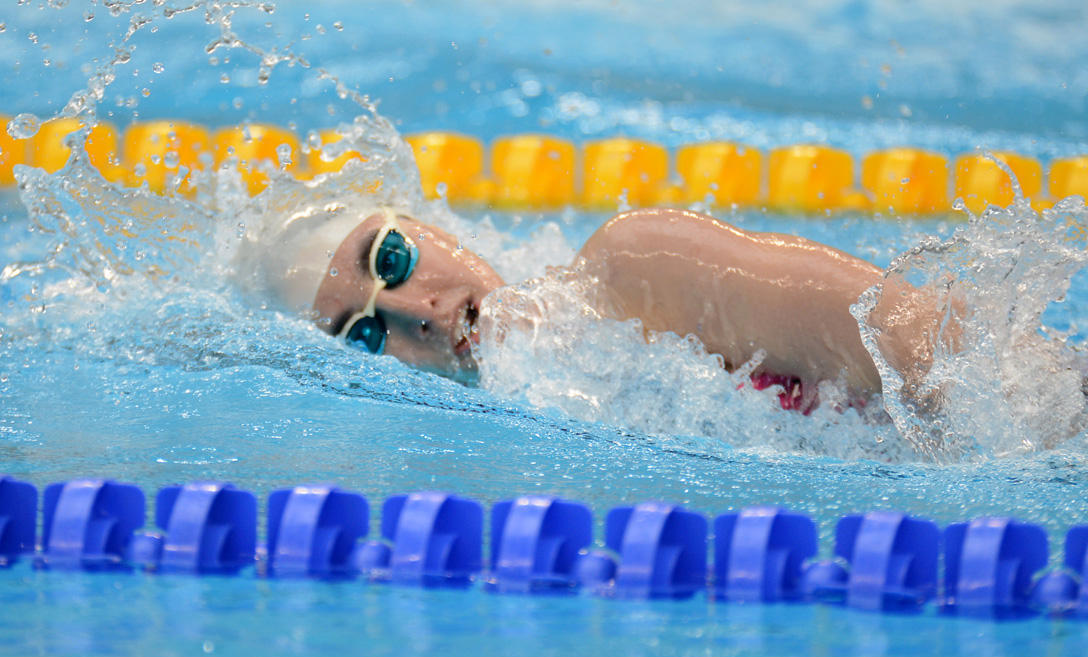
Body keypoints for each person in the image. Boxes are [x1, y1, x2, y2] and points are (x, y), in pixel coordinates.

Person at [248, 197, 955, 413]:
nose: (421, 316)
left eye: (391, 260)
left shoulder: (639, 266)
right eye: (364, 335)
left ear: (424, 224)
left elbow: (950, 361)